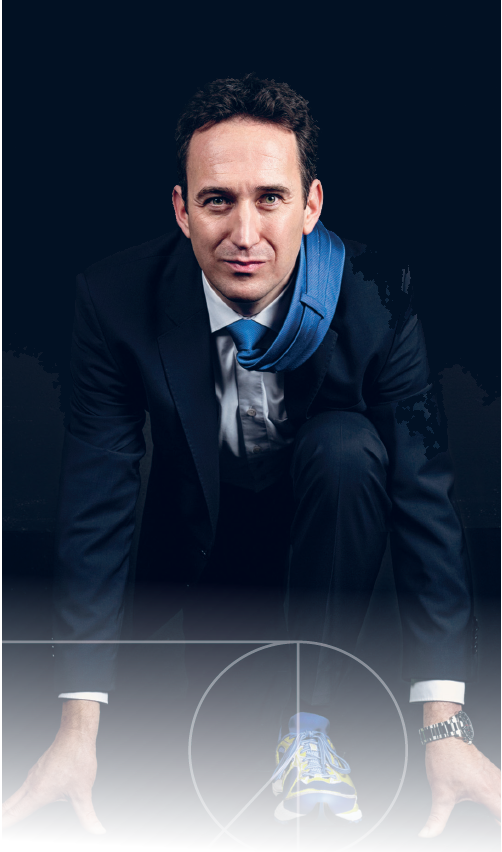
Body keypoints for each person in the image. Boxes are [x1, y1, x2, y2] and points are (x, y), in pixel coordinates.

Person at [0, 73, 499, 836]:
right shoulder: (116, 299)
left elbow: (424, 498)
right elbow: (97, 496)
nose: (244, 233)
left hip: (333, 531)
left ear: (311, 206)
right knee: (221, 758)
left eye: (270, 198)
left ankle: (309, 725)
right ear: (181, 210)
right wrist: (77, 724)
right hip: (209, 544)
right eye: (217, 201)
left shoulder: (377, 297)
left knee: (346, 446)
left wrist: (445, 727)